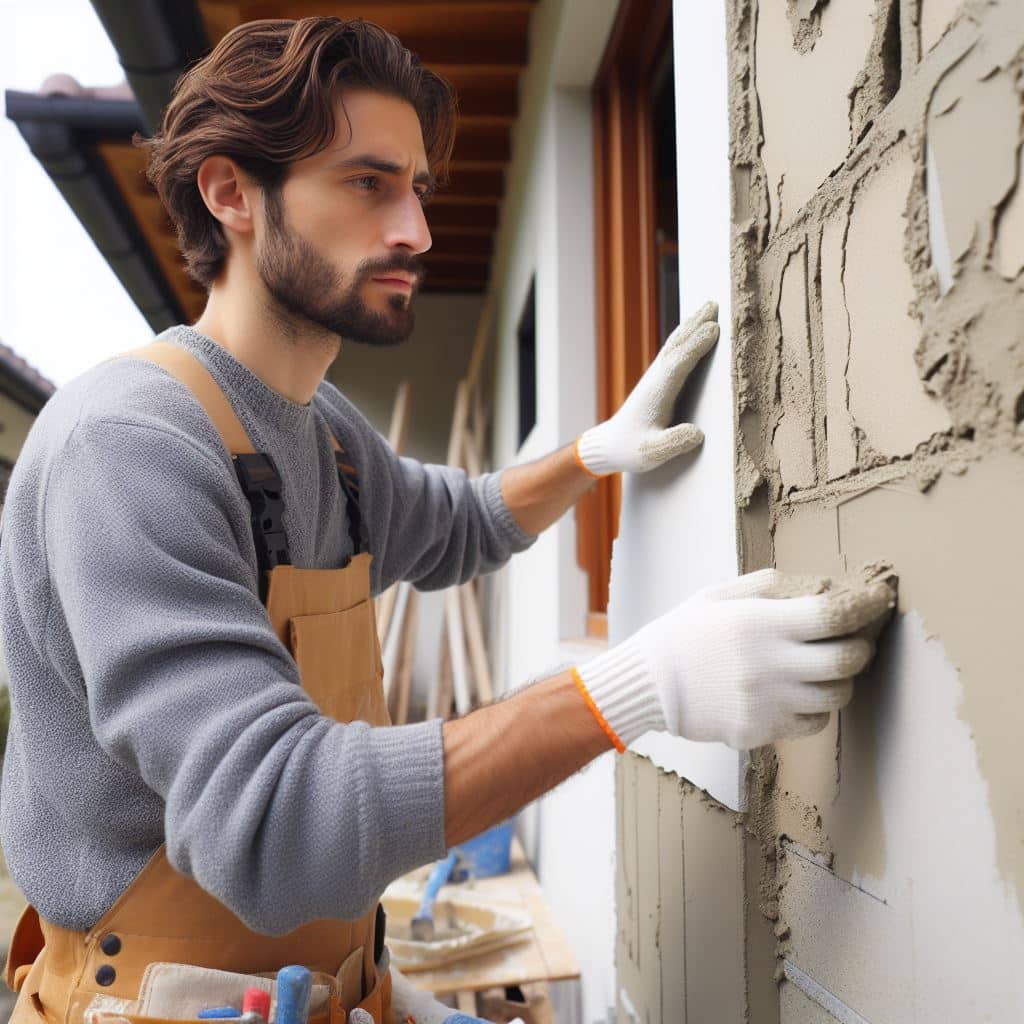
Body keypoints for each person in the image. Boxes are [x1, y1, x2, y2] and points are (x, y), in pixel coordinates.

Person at [0, 17, 891, 1024]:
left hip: (318, 984)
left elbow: (455, 521)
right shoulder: (129, 446)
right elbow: (278, 821)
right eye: (366, 183)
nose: (416, 232)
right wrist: (641, 687)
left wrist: (588, 456)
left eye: (415, 188)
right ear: (230, 192)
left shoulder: (324, 434)